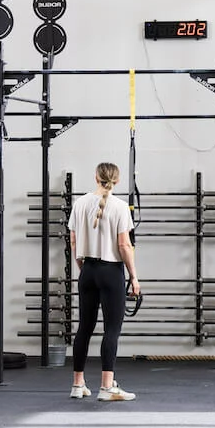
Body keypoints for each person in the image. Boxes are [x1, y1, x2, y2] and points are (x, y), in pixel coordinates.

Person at [67, 162, 140, 401]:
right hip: (111, 272)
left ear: (95, 177)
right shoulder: (119, 207)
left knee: (84, 329)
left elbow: (74, 244)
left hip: (87, 270)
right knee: (111, 330)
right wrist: (134, 276)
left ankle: (78, 385)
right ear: (116, 181)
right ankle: (107, 387)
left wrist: (84, 268)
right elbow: (124, 245)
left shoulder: (79, 203)